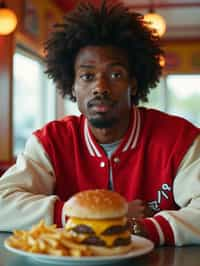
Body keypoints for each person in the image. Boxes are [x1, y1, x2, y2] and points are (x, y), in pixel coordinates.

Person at [0, 0, 200, 247]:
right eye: (87, 76)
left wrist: (142, 228)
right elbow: (2, 202)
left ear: (133, 84)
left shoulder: (180, 139)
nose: (100, 87)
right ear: (72, 85)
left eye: (115, 74)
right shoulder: (50, 141)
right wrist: (83, 214)